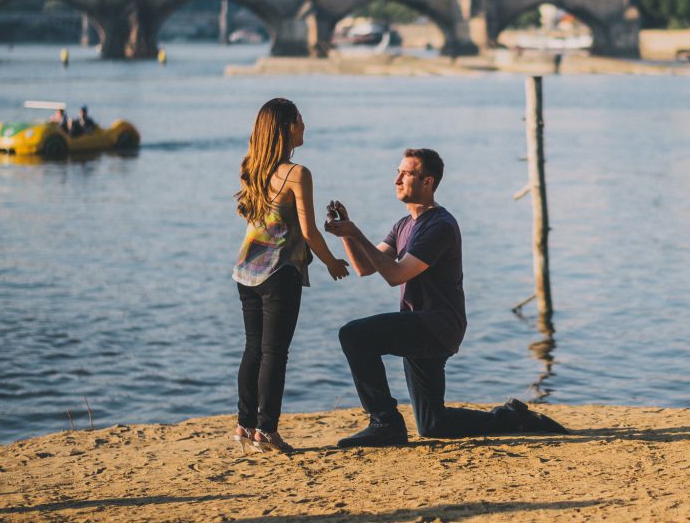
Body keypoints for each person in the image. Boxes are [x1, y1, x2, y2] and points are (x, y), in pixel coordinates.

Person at [325, 148, 567, 447]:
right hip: (418, 324)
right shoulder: (403, 225)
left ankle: (384, 423)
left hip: (436, 325)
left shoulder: (439, 225)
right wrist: (347, 234)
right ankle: (511, 417)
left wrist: (356, 232)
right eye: (397, 172)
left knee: (354, 335)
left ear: (427, 182)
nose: (397, 180)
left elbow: (395, 275)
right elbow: (364, 268)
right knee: (433, 424)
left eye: (406, 173)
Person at [231, 97, 351, 454]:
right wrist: (331, 261)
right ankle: (266, 431)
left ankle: (244, 425)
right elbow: (310, 231)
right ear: (286, 127)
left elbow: (257, 219)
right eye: (300, 119)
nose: (304, 125)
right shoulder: (298, 174)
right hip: (279, 271)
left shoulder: (252, 166)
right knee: (274, 353)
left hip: (246, 270)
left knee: (253, 350)